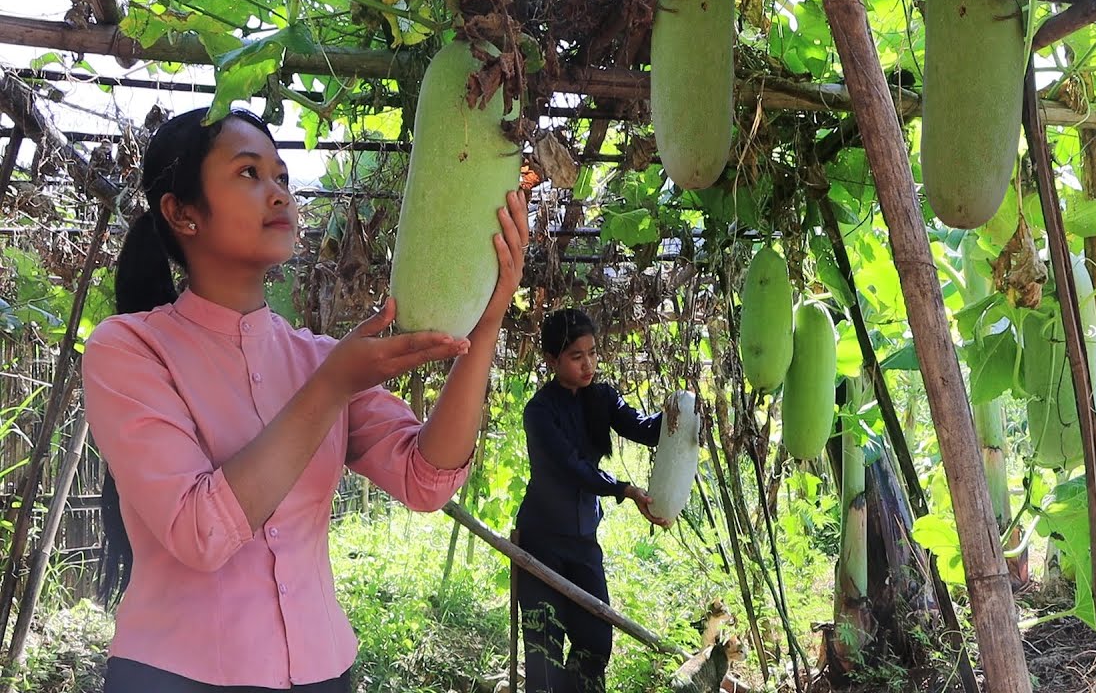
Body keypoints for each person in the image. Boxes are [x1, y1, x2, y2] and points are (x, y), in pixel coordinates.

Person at [81, 106, 529, 692]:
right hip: (172, 676)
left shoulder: (319, 358)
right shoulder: (128, 350)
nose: (280, 195)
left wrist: (487, 323)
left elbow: (427, 479)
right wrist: (332, 387)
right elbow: (200, 531)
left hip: (323, 673)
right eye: (249, 174)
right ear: (182, 212)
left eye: (283, 177)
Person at [516, 308, 673, 693]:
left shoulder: (602, 397)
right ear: (551, 360)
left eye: (592, 353)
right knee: (544, 646)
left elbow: (641, 428)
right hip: (541, 542)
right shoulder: (538, 412)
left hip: (583, 540)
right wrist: (624, 489)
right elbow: (571, 467)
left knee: (596, 639)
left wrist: (676, 414)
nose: (589, 364)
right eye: (576, 356)